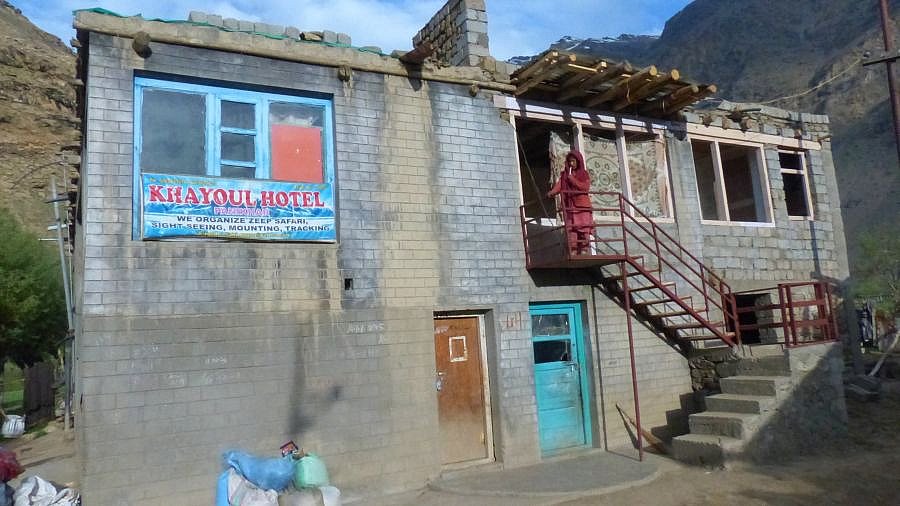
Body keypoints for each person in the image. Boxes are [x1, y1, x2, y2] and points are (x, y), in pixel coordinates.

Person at [548, 150, 593, 255]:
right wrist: (552, 192)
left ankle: (584, 250)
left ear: (578, 161)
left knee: (583, 228)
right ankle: (573, 250)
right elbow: (559, 185)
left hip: (582, 207)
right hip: (570, 206)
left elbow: (585, 187)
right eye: (570, 161)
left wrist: (573, 180)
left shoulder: (583, 174)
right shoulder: (565, 175)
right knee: (572, 229)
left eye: (573, 161)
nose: (571, 164)